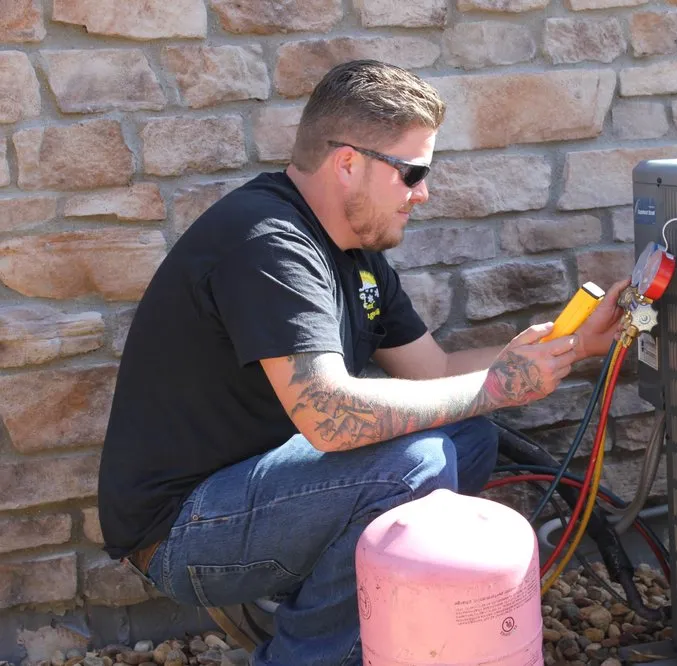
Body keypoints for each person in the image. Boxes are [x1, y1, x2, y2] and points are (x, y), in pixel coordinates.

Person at [97, 59, 627, 666]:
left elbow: (434, 370)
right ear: (348, 163)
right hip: (181, 532)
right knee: (413, 465)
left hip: (260, 488)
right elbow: (328, 415)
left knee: (468, 438)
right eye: (413, 172)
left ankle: (353, 614)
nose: (423, 192)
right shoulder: (269, 242)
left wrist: (574, 346)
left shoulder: (357, 254)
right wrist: (499, 385)